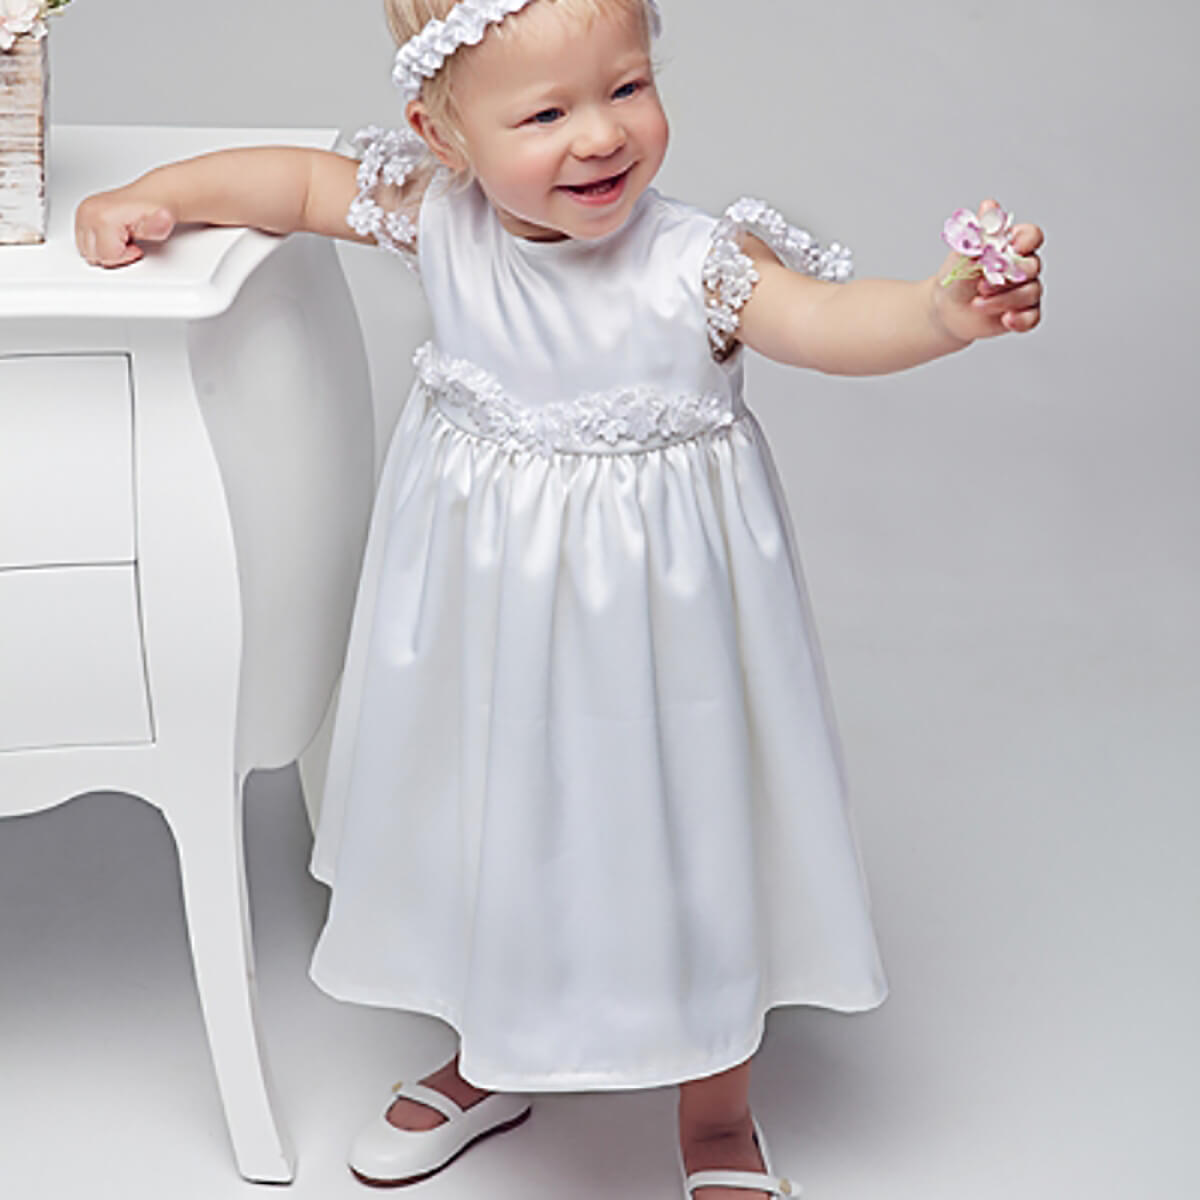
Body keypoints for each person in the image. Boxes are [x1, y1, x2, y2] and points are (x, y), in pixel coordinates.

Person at [75, 1, 1044, 1195]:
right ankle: (494, 1052)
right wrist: (159, 197)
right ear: (444, 134)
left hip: (667, 627)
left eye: (627, 89)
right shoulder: (438, 220)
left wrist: (941, 312)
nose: (600, 137)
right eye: (545, 112)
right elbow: (289, 182)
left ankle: (719, 1102)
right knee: (494, 817)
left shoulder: (696, 262)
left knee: (692, 828)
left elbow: (828, 320)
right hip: (491, 624)